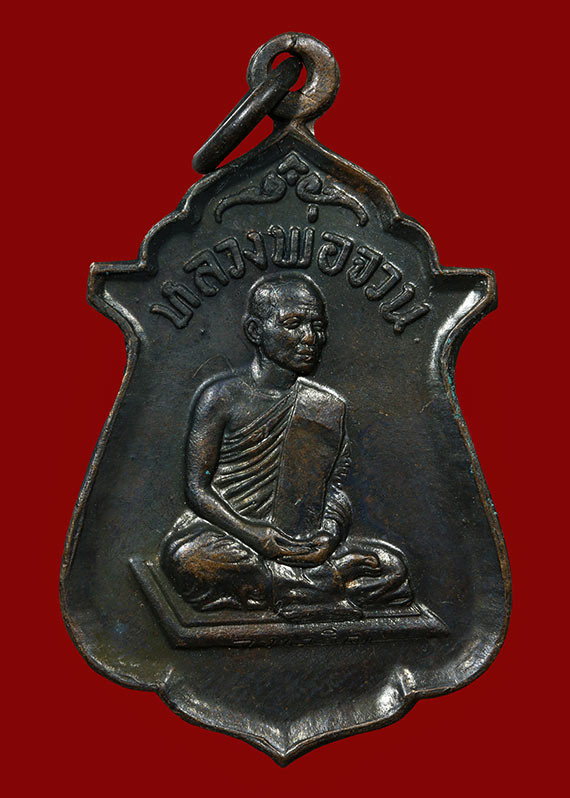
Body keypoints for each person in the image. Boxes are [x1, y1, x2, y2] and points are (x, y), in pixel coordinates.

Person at [160, 273, 412, 619]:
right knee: (188, 559)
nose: (310, 338)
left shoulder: (326, 407)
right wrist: (255, 535)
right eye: (293, 324)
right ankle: (320, 585)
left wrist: (329, 535)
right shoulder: (221, 398)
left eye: (318, 327)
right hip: (230, 533)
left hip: (301, 540)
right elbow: (196, 489)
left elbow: (334, 491)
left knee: (391, 564)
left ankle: (297, 584)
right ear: (255, 331)